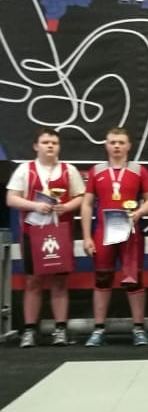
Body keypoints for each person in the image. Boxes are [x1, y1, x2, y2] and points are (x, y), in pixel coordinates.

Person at [6, 127, 84, 347]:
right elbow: (11, 199)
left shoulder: (69, 170)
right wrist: (35, 206)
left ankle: (60, 329)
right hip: (33, 232)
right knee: (33, 281)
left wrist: (66, 206)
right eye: (45, 142)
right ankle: (30, 330)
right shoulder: (25, 169)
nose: (50, 146)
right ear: (36, 146)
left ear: (59, 147)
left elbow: (81, 197)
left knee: (60, 281)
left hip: (60, 232)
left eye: (54, 143)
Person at [80, 126, 148, 347]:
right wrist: (86, 237)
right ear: (106, 145)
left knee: (135, 280)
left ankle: (139, 328)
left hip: (131, 232)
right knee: (102, 279)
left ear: (129, 146)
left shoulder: (139, 170)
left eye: (121, 142)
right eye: (113, 142)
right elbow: (86, 204)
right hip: (103, 232)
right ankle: (98, 329)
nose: (116, 146)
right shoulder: (96, 171)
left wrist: (139, 212)